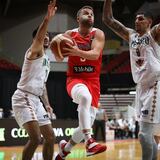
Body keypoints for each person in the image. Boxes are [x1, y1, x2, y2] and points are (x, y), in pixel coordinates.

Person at [102, 0, 160, 160]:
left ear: (150, 21)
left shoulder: (154, 33)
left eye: (141, 18)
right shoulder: (131, 35)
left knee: (143, 135)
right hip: (140, 88)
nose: (137, 21)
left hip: (154, 86)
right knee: (148, 135)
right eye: (135, 18)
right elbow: (108, 20)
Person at [55, 5, 107, 160]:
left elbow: (95, 54)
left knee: (86, 124)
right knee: (84, 97)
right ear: (78, 18)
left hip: (93, 81)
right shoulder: (68, 35)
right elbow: (58, 57)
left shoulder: (97, 33)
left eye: (91, 14)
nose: (89, 15)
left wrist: (76, 51)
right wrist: (57, 47)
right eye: (86, 13)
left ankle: (65, 149)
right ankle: (89, 143)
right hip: (75, 79)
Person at [11, 1, 57, 160]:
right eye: (43, 35)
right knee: (36, 138)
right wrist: (47, 20)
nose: (46, 37)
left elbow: (42, 85)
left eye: (48, 36)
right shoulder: (34, 51)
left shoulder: (47, 61)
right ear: (37, 38)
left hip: (36, 100)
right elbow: (39, 36)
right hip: (23, 97)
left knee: (50, 137)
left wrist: (47, 104)